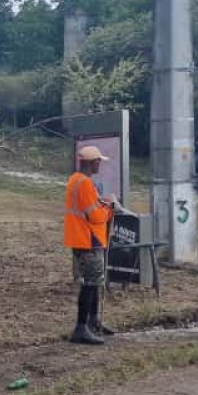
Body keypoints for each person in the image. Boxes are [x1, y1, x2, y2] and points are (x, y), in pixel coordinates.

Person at [64, 146, 117, 345]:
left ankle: (93, 320)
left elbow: (89, 207)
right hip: (89, 239)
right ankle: (81, 327)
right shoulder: (85, 183)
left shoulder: (74, 180)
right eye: (97, 161)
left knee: (93, 281)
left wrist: (101, 204)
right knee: (89, 284)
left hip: (79, 238)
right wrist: (110, 210)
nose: (99, 164)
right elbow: (94, 216)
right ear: (90, 162)